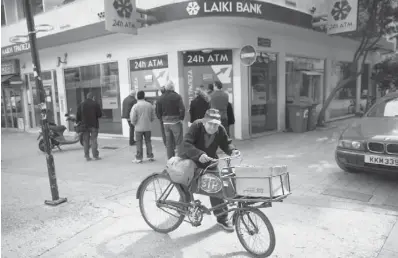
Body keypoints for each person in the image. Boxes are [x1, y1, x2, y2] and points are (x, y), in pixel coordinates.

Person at [180, 108, 240, 232]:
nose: (213, 127)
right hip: (191, 158)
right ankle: (183, 205)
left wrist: (233, 150)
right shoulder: (196, 126)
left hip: (210, 160)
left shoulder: (220, 130)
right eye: (210, 124)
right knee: (186, 185)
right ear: (204, 122)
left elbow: (226, 143)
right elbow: (186, 144)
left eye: (216, 125)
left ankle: (222, 218)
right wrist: (198, 154)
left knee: (216, 187)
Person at [156, 80, 186, 159]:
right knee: (179, 141)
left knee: (169, 142)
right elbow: (182, 109)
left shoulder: (160, 98)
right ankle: (180, 158)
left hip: (165, 123)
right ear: (173, 87)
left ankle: (170, 160)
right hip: (176, 122)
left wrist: (161, 119)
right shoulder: (177, 96)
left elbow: (157, 111)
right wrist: (181, 118)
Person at [130, 91, 155, 164]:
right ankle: (150, 156)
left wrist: (134, 123)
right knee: (148, 141)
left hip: (138, 127)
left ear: (137, 97)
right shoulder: (149, 105)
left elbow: (133, 117)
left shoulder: (135, 106)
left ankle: (139, 158)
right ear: (144, 96)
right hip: (147, 127)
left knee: (139, 142)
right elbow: (153, 117)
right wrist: (149, 121)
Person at [76, 92, 102, 161]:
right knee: (94, 140)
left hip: (84, 126)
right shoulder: (95, 104)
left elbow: (78, 116)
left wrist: (78, 122)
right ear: (93, 97)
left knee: (85, 141)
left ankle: (87, 156)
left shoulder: (81, 104)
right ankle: (95, 156)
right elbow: (99, 115)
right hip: (94, 125)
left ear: (86, 97)